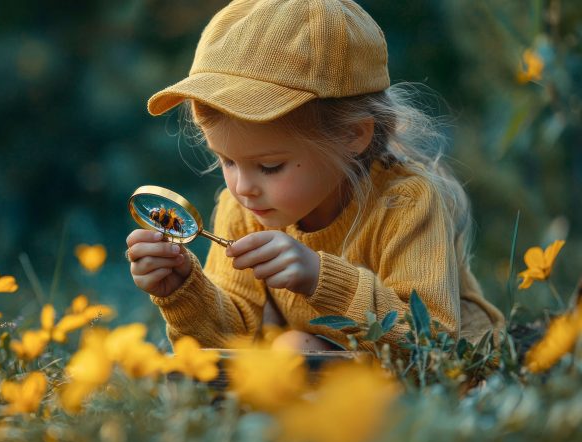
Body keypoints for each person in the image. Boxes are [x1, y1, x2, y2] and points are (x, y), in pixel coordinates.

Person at [126, 0, 504, 353]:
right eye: (226, 160)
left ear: (353, 135)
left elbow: (430, 343)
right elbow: (229, 342)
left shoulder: (405, 203)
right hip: (325, 371)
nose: (242, 188)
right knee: (285, 348)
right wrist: (182, 291)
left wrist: (319, 278)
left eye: (270, 166)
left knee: (290, 348)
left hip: (445, 376)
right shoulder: (243, 211)